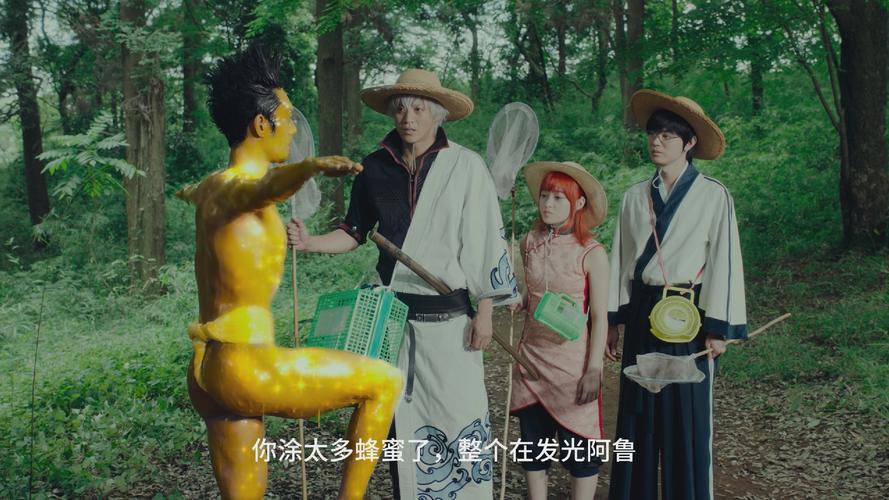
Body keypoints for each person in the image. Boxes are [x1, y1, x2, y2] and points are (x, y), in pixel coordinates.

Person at [177, 44, 404, 500]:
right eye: (286, 118)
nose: (294, 127)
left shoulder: (210, 187)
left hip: (208, 369)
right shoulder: (239, 186)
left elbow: (204, 192)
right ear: (261, 125)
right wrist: (310, 167)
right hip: (244, 367)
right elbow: (262, 189)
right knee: (384, 381)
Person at [288, 68, 518, 499]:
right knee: (400, 434)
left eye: (418, 109)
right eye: (400, 109)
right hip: (392, 324)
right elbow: (354, 231)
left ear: (437, 114)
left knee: (461, 420)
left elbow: (485, 241)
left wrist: (485, 312)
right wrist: (310, 242)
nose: (408, 118)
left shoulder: (466, 167)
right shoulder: (374, 167)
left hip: (450, 324)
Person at [606, 90, 748, 500]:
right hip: (643, 312)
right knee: (638, 416)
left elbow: (724, 260)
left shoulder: (713, 195)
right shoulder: (634, 196)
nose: (657, 141)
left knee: (687, 417)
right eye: (653, 133)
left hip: (690, 314)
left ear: (690, 143)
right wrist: (614, 321)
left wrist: (718, 328)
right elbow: (621, 260)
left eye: (668, 135)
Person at [509, 161, 610, 500]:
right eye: (544, 196)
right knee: (533, 447)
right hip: (531, 359)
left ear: (578, 203)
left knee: (581, 451)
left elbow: (599, 316)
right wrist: (521, 300)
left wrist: (594, 368)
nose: (548, 204)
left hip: (572, 363)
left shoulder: (592, 252)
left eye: (558, 198)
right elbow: (535, 290)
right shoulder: (530, 242)